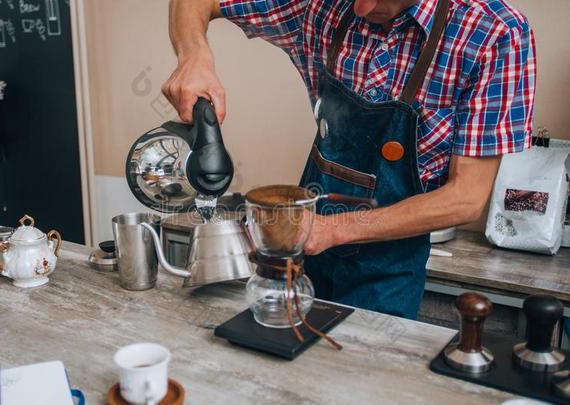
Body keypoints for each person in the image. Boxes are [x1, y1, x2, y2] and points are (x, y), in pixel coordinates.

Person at [162, 0, 536, 319]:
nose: (360, 8)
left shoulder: (493, 34)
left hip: (386, 276)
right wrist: (194, 55)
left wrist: (332, 230)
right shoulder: (320, 4)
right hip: (301, 261)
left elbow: (465, 198)